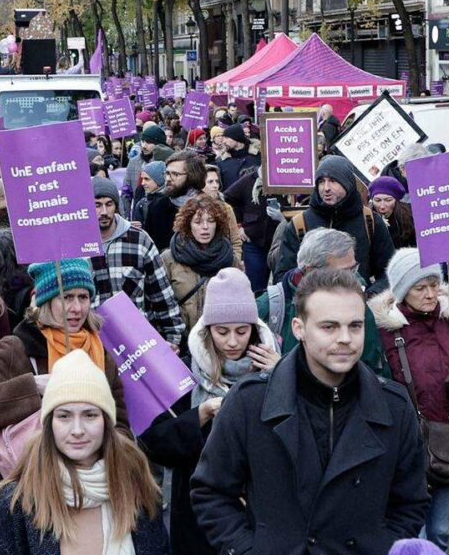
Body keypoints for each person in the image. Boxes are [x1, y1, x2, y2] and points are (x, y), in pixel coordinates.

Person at [190, 268, 430, 554]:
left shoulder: (394, 406)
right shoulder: (249, 402)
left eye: (355, 326)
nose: (345, 338)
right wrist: (246, 549)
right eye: (329, 326)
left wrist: (382, 546)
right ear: (298, 328)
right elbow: (211, 491)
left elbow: (411, 501)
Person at [139, 268, 280, 555]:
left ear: (254, 327)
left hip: (258, 510)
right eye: (222, 331)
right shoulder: (184, 371)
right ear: (207, 329)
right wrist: (201, 413)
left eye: (242, 331)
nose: (232, 342)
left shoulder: (274, 365)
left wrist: (283, 374)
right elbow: (154, 442)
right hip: (196, 514)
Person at [0, 349, 169, 554]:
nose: (77, 430)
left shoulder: (137, 489)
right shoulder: (16, 502)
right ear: (49, 423)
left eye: (89, 415)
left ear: (106, 422)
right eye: (64, 416)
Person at [369, 248, 449, 550]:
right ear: (402, 290)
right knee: (409, 530)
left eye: (434, 284)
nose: (430, 293)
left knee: (440, 529)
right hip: (403, 444)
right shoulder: (383, 329)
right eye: (420, 287)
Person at [0, 259, 131, 436]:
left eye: (83, 297)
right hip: (33, 465)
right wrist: (33, 386)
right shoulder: (15, 349)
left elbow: (120, 425)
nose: (77, 308)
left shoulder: (100, 352)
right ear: (46, 301)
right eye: (66, 297)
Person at [259, 228, 391, 378]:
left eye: (353, 269)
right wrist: (281, 371)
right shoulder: (271, 307)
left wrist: (282, 368)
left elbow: (374, 370)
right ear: (310, 271)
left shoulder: (357, 303)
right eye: (342, 272)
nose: (353, 278)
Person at [276, 156, 395, 295]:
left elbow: (389, 272)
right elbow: (283, 278)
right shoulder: (299, 224)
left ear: (347, 184)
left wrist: (368, 296)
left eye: (333, 181)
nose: (326, 188)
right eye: (321, 181)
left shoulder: (370, 221)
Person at [90, 175, 185, 348]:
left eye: (109, 204)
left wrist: (173, 337)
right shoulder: (76, 246)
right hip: (92, 341)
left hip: (136, 340)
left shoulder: (138, 240)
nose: (103, 211)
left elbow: (161, 292)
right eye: (97, 205)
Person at [161, 194, 237, 334]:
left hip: (217, 340)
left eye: (211, 221)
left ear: (218, 224)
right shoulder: (169, 259)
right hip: (181, 339)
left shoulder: (228, 257)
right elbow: (160, 304)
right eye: (198, 222)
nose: (205, 227)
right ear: (188, 224)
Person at [141, 151, 206, 261]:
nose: (168, 179)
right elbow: (149, 248)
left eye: (175, 174)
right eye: (167, 173)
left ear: (192, 176)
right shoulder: (157, 207)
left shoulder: (209, 205)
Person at [224, 166, 279, 292]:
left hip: (279, 241)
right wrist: (238, 225)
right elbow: (227, 199)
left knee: (280, 288)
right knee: (255, 289)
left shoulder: (288, 179)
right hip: (254, 243)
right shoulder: (249, 180)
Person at [203, 164, 243, 264]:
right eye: (210, 182)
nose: (215, 185)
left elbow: (236, 240)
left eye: (217, 181)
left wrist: (235, 261)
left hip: (224, 261)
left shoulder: (226, 208)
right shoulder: (190, 207)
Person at [369, 175, 416, 249]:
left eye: (388, 200)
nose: (382, 206)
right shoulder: (367, 218)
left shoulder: (411, 214)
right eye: (377, 200)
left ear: (396, 200)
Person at [217, 123, 259, 190]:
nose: (224, 141)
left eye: (226, 138)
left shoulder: (258, 156)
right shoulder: (221, 161)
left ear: (236, 138)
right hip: (230, 199)